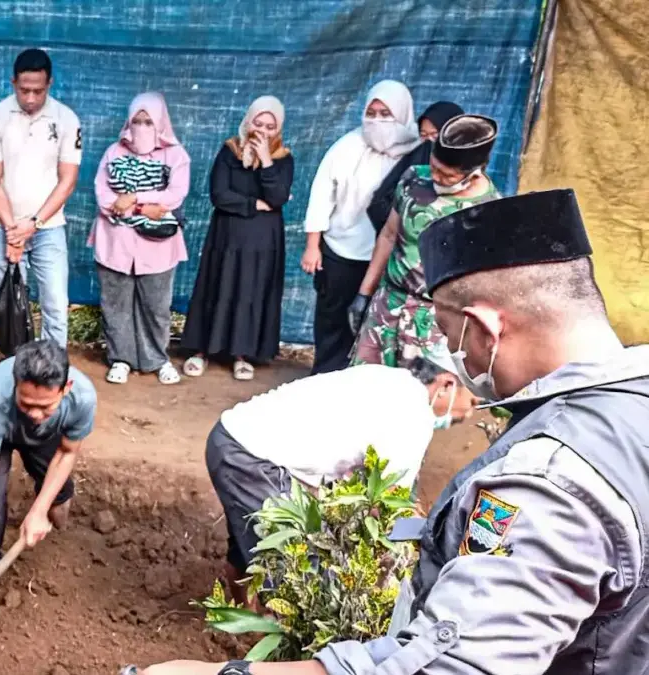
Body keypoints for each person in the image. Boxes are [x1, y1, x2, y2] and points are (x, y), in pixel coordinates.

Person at [137, 189, 649, 674]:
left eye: (449, 335)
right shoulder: (630, 410)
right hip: (254, 449)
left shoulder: (547, 485)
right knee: (277, 555)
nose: (459, 359)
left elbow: (452, 665)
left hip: (244, 437)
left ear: (485, 329)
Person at [207, 353, 475, 608]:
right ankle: (278, 632)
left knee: (252, 537)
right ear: (447, 384)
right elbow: (387, 504)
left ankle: (242, 620)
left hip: (233, 438)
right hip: (250, 458)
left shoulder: (391, 378)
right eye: (473, 402)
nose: (470, 414)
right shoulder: (415, 416)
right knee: (300, 570)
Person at [0, 340, 96, 631]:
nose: (34, 413)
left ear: (65, 389)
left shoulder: (82, 398)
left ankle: (54, 518)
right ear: (15, 384)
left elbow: (67, 452)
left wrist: (40, 510)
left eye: (44, 406)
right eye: (27, 403)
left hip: (45, 433)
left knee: (59, 498)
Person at [349, 114, 501, 368]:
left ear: (474, 174)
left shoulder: (489, 211)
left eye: (447, 175)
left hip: (434, 324)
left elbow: (483, 284)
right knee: (363, 385)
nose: (436, 177)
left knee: (417, 392)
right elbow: (388, 235)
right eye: (433, 167)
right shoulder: (414, 180)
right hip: (388, 305)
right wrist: (364, 294)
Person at [302, 80, 421, 375]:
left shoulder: (418, 153)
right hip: (341, 250)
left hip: (388, 257)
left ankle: (358, 384)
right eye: (372, 113)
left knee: (374, 327)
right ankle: (323, 378)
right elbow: (321, 196)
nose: (377, 121)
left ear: (403, 114)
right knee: (332, 321)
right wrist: (312, 246)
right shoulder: (346, 147)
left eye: (386, 114)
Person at [181, 96, 294, 381]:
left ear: (278, 129)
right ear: (248, 121)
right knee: (217, 286)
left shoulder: (283, 159)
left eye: (270, 126)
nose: (263, 131)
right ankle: (201, 351)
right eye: (258, 123)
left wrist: (266, 160)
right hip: (227, 237)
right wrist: (254, 204)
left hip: (262, 242)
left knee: (250, 291)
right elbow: (219, 195)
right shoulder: (229, 151)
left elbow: (278, 197)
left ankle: (242, 355)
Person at [0, 48, 82, 347]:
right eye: (24, 90)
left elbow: (68, 181)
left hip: (48, 227)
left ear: (50, 83)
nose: (31, 98)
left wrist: (33, 224)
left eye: (38, 90)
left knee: (56, 304)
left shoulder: (66, 119)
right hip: (3, 227)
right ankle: (16, 364)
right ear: (13, 82)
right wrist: (13, 232)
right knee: (11, 306)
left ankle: (53, 366)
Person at [89, 92, 190, 386]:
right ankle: (120, 359)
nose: (142, 127)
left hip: (158, 246)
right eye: (137, 121)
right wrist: (144, 207)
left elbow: (175, 195)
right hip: (114, 242)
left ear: (161, 122)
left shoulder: (176, 155)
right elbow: (103, 195)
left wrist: (134, 198)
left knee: (156, 306)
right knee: (115, 304)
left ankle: (157, 359)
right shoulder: (114, 152)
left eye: (149, 122)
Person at [366, 101, 464, 230]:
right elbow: (380, 204)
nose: (429, 142)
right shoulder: (414, 161)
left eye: (435, 135)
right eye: (424, 135)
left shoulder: (470, 166)